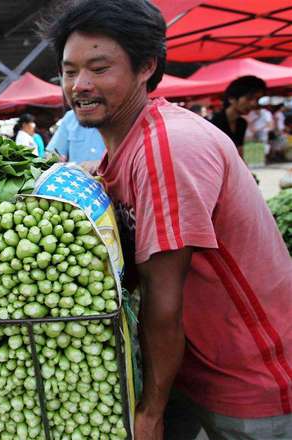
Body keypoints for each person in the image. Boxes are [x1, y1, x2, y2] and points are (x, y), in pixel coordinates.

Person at [45, 1, 292, 439]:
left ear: (146, 67)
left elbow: (162, 294)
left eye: (99, 68)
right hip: (193, 368)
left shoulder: (168, 148)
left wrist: (151, 412)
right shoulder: (120, 151)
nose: (79, 85)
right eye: (69, 71)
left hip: (249, 377)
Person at [210, 75, 266, 157]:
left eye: (257, 99)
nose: (254, 104)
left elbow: (239, 154)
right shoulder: (213, 123)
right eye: (249, 98)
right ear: (232, 98)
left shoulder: (241, 123)